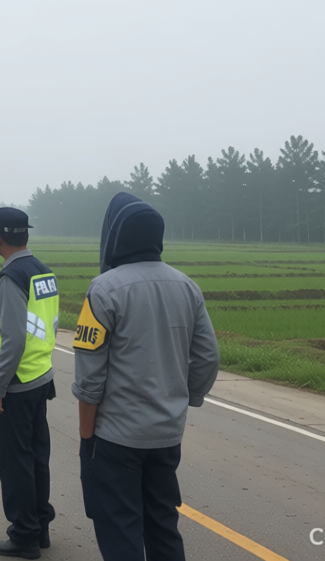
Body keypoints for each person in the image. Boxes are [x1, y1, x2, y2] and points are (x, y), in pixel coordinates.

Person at [72, 193, 220, 560]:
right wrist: (185, 399)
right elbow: (207, 358)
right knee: (163, 525)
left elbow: (89, 378)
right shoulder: (187, 287)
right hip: (167, 436)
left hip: (117, 438)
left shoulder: (103, 289)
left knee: (120, 529)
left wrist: (86, 438)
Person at [0, 206, 59, 559]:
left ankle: (24, 534)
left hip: (17, 382)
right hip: (40, 376)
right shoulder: (43, 272)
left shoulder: (11, 277)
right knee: (36, 457)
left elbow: (12, 338)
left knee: (15, 463)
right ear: (25, 235)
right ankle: (39, 525)